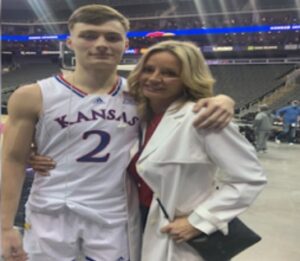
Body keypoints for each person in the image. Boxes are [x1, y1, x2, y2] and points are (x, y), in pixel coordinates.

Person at [1, 4, 235, 261]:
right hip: (51, 211)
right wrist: (4, 227)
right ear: (70, 42)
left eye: (112, 37)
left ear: (125, 44)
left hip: (114, 215)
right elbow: (12, 160)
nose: (101, 43)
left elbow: (190, 102)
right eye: (89, 35)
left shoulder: (143, 96)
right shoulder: (32, 95)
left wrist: (223, 100)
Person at [126, 40, 267, 261]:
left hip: (177, 232)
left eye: (169, 73)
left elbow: (249, 178)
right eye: (148, 69)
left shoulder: (202, 117)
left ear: (187, 79)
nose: (154, 78)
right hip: (137, 223)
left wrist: (200, 221)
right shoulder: (139, 117)